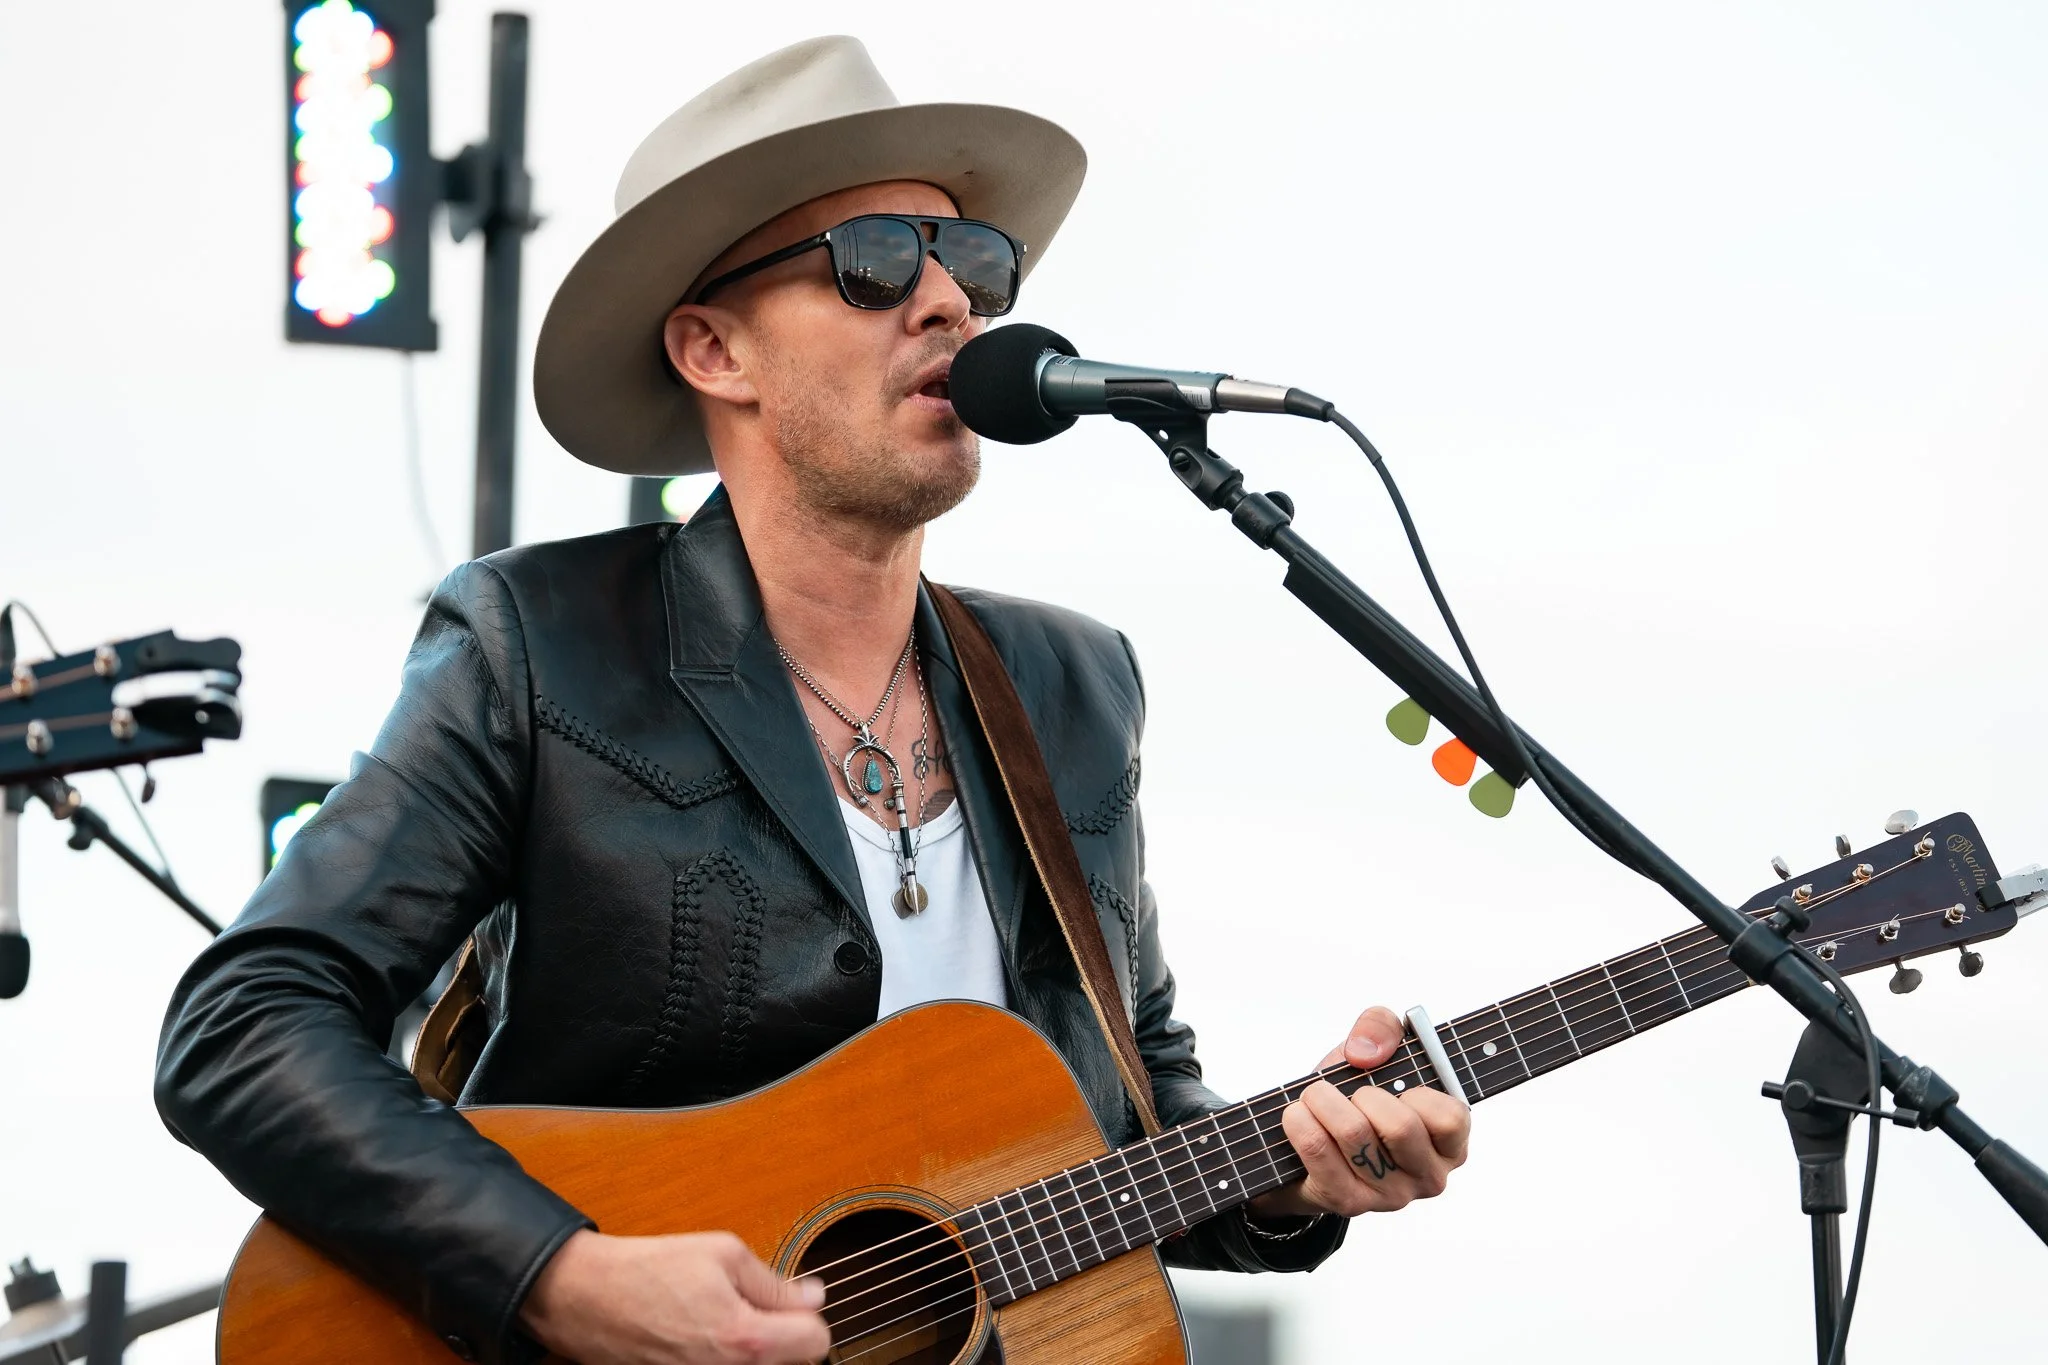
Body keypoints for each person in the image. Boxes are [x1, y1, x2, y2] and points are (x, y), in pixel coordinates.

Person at [156, 36, 1470, 1365]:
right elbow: (245, 1022)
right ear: (714, 349)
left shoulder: (1074, 685)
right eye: (876, 262)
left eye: (974, 263)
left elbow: (1128, 1106)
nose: (948, 302)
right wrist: (557, 1274)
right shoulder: (539, 642)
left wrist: (1298, 1166)